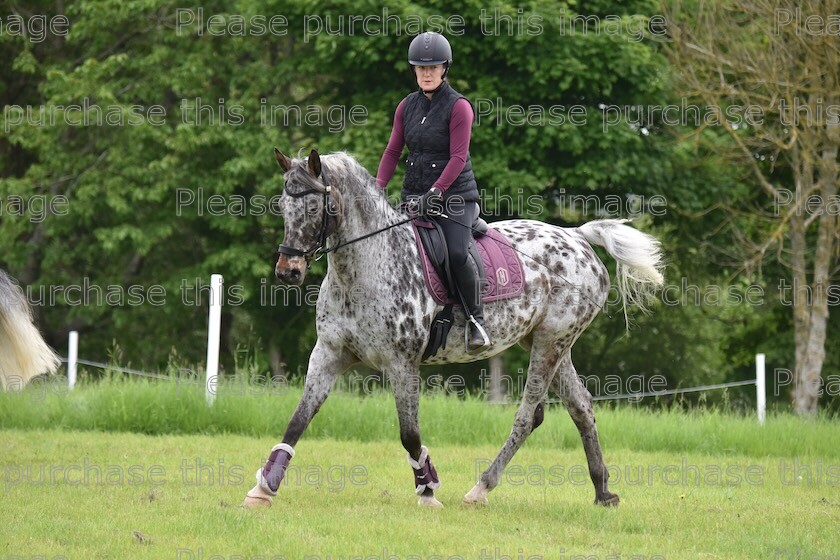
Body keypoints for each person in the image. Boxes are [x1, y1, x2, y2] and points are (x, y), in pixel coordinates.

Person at [376, 31, 491, 353]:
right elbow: (391, 152)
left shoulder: (459, 108)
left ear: (444, 69)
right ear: (414, 70)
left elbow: (457, 157)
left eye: (433, 67)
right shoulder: (406, 106)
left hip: (455, 198)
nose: (427, 73)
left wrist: (436, 192)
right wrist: (376, 191)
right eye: (420, 68)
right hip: (413, 196)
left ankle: (476, 320)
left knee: (455, 253)